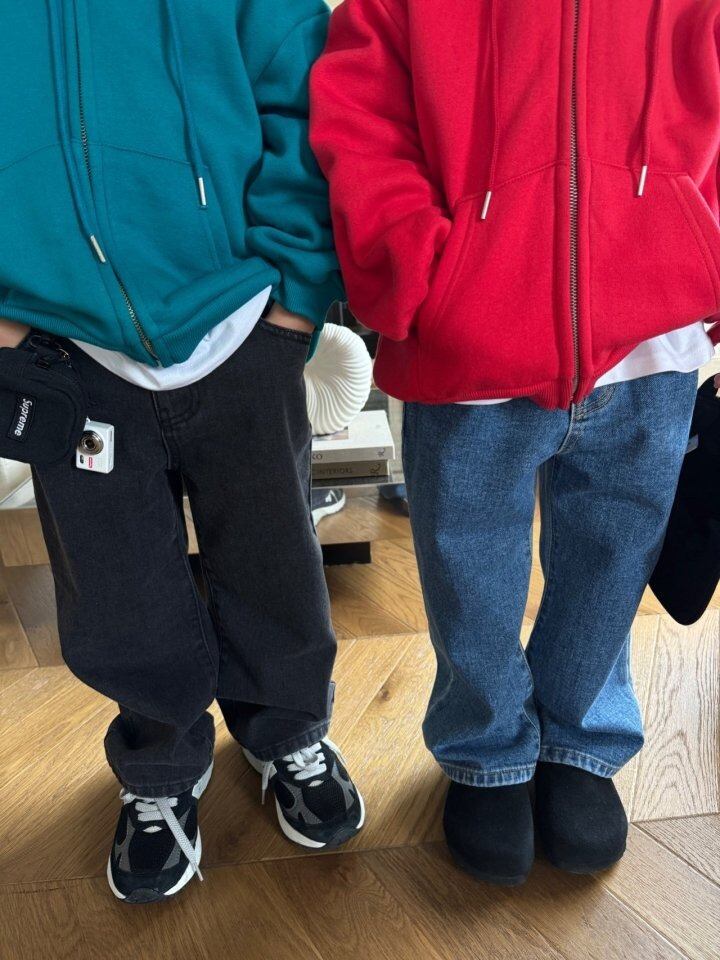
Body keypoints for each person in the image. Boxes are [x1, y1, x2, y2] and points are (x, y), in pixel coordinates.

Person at [310, 0, 720, 885]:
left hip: (655, 336)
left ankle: (580, 740)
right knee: (467, 568)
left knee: (615, 558)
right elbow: (362, 107)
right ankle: (486, 748)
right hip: (471, 341)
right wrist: (421, 270)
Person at [0, 0, 363, 904]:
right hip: (63, 350)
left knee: (274, 554)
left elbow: (302, 92)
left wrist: (296, 298)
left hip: (244, 322)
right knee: (116, 583)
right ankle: (159, 760)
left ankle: (288, 729)